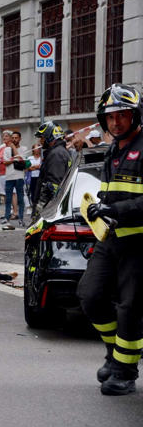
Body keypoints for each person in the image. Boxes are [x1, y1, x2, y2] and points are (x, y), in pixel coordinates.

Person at [76, 83, 143, 396]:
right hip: (111, 240)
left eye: (123, 115)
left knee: (131, 307)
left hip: (139, 244)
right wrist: (94, 209)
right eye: (111, 117)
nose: (116, 122)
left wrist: (113, 208)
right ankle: (115, 353)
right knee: (90, 295)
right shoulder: (113, 150)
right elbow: (109, 194)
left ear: (134, 115)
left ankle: (125, 372)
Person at [33, 121, 71, 218]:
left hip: (49, 208)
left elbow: (53, 185)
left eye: (42, 137)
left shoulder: (56, 154)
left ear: (50, 136)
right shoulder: (59, 152)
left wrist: (39, 209)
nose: (40, 141)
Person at [2, 131, 28, 228]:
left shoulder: (24, 149)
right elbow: (5, 162)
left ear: (20, 139)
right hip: (9, 177)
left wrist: (14, 150)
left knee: (20, 199)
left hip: (19, 177)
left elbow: (21, 160)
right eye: (12, 138)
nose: (14, 139)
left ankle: (21, 218)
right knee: (8, 199)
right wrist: (14, 158)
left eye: (16, 138)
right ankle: (6, 218)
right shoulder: (6, 150)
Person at [25, 143, 41, 216]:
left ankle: (38, 209)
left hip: (40, 178)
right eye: (35, 148)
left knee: (40, 194)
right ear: (33, 150)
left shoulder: (42, 158)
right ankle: (33, 208)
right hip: (32, 178)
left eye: (38, 148)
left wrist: (34, 167)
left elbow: (42, 167)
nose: (37, 150)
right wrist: (36, 167)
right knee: (32, 194)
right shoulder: (29, 158)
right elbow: (27, 168)